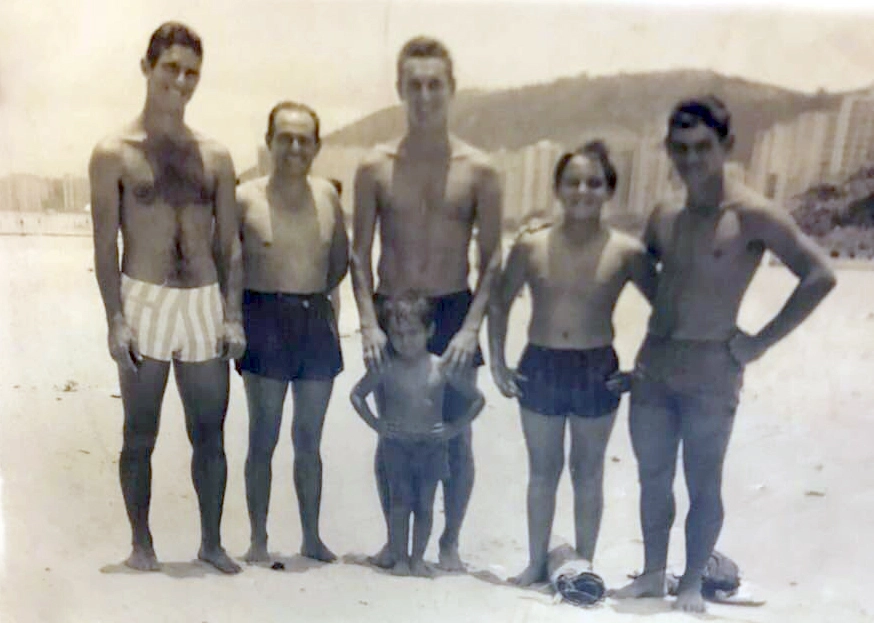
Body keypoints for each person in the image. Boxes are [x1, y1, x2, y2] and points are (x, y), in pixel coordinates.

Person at [612, 96, 836, 612]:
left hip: (713, 367)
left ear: (726, 146)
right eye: (680, 149)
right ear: (669, 150)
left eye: (702, 148)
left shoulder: (753, 214)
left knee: (703, 481)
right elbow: (648, 273)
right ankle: (651, 574)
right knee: (652, 478)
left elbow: (819, 274)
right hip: (655, 361)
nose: (690, 159)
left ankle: (690, 581)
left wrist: (758, 342)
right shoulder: (664, 213)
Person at [89, 22, 244, 574]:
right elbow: (105, 246)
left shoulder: (217, 156)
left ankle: (211, 542)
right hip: (144, 297)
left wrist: (233, 316)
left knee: (210, 430)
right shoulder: (113, 153)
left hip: (203, 301)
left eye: (192, 73)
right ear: (147, 69)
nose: (181, 81)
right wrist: (115, 321)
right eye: (171, 69)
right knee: (140, 431)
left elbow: (230, 245)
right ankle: (142, 544)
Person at [350, 36, 502, 571]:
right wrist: (368, 322)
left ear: (452, 89)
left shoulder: (480, 169)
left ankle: (450, 543)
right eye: (413, 84)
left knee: (455, 435)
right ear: (399, 90)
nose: (424, 95)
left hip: (453, 309)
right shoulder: (374, 166)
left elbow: (492, 261)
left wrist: (471, 330)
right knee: (393, 433)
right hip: (395, 313)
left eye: (435, 84)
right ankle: (395, 541)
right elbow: (358, 252)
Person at [489, 141, 657, 586]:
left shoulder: (626, 251)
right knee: (542, 470)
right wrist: (497, 363)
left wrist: (641, 367)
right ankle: (535, 562)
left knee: (588, 470)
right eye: (573, 182)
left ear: (608, 191)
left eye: (594, 183)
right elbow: (500, 303)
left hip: (596, 366)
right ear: (558, 189)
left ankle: (584, 562)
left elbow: (667, 312)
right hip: (540, 362)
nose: (583, 190)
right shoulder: (531, 245)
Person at [235, 101, 348, 564]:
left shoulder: (328, 195)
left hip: (314, 319)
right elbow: (230, 264)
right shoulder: (245, 197)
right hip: (263, 316)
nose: (295, 147)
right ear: (269, 142)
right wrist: (233, 320)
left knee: (309, 441)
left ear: (317, 146)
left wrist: (325, 309)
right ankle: (258, 538)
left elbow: (339, 261)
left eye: (304, 139)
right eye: (285, 137)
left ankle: (311, 537)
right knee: (263, 437)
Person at [350, 294, 485, 577]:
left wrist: (453, 428)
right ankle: (399, 558)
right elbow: (357, 395)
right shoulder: (386, 367)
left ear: (430, 332)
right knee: (399, 503)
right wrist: (377, 424)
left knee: (425, 504)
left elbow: (477, 400)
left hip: (432, 447)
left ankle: (418, 558)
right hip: (397, 446)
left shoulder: (441, 366)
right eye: (397, 335)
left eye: (413, 333)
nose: (405, 341)